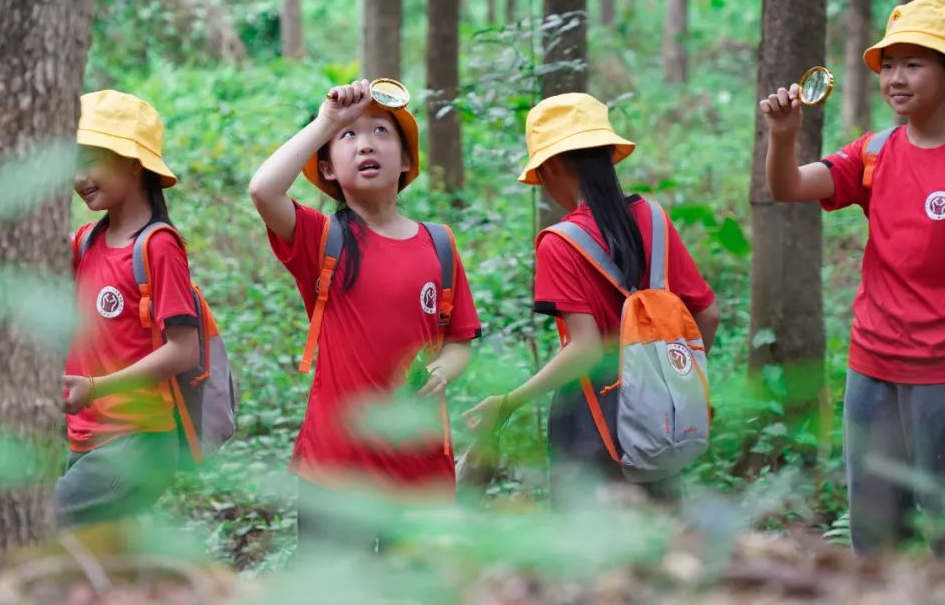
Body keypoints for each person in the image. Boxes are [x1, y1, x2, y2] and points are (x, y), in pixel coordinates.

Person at [248, 78, 482, 553]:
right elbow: (263, 189)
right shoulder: (321, 238)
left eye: (381, 131)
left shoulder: (438, 244)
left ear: (407, 161)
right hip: (335, 472)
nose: (365, 144)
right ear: (328, 169)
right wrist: (325, 122)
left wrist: (443, 369)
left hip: (419, 475)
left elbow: (459, 341)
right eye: (348, 138)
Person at [465, 93, 719, 505]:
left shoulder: (560, 242)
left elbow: (583, 349)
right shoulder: (654, 219)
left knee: (588, 561)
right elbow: (707, 314)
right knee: (663, 550)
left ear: (553, 166)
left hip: (590, 426)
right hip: (662, 422)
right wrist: (672, 385)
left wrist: (508, 403)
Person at [760, 0, 945, 554]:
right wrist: (784, 135)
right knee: (873, 530)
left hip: (939, 373)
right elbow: (789, 187)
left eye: (914, 63)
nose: (895, 78)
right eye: (888, 65)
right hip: (872, 367)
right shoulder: (876, 150)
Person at [55, 90, 199, 527]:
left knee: (42, 525)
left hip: (136, 440)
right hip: (84, 437)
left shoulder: (157, 246)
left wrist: (96, 388)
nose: (79, 177)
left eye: (91, 160)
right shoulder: (84, 242)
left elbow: (183, 350)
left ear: (135, 162)